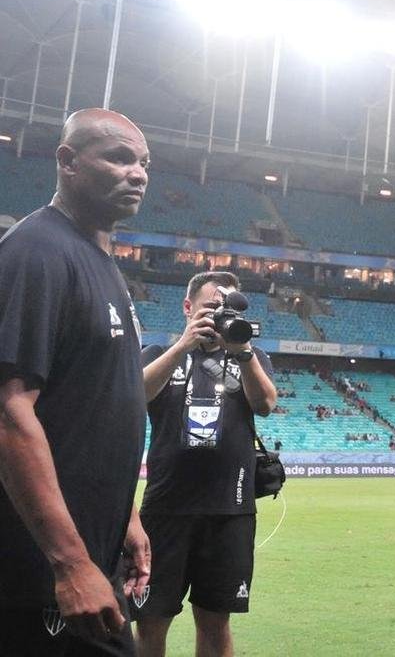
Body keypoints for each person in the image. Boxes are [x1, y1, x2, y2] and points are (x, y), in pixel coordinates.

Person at [0, 109, 151, 656]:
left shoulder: (99, 259)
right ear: (67, 161)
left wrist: (125, 515)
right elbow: (10, 410)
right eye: (118, 157)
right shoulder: (38, 252)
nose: (137, 173)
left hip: (93, 555)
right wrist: (68, 562)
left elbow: (86, 412)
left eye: (143, 162)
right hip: (45, 577)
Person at [133, 272, 278, 657]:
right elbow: (136, 394)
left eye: (225, 309)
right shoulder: (155, 353)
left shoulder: (252, 356)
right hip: (166, 510)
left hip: (229, 511)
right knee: (151, 619)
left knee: (216, 621)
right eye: (211, 307)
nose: (218, 316)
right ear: (187, 308)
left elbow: (265, 404)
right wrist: (183, 345)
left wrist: (243, 351)